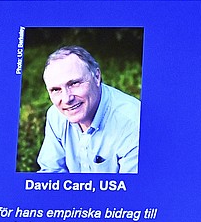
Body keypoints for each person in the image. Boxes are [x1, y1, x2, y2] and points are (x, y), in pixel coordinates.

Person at [37, 45, 141, 173]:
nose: (66, 99)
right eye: (55, 90)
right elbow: (51, 175)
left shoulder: (134, 123)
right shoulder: (56, 115)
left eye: (74, 83)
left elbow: (132, 190)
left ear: (97, 77)